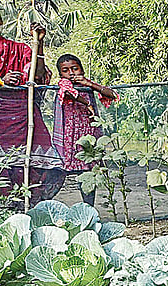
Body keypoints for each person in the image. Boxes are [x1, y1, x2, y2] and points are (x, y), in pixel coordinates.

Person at [0, 0, 64, 204]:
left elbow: (38, 76)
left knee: (35, 165)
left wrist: (38, 44)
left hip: (22, 117)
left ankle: (26, 208)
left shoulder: (20, 49)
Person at [53, 53, 116, 205]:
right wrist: (86, 104)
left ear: (82, 70)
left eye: (75, 68)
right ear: (60, 74)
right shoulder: (63, 84)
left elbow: (112, 94)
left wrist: (90, 84)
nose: (71, 73)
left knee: (88, 170)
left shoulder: (87, 85)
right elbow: (71, 93)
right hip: (70, 135)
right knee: (60, 172)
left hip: (88, 132)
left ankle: (89, 207)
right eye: (66, 70)